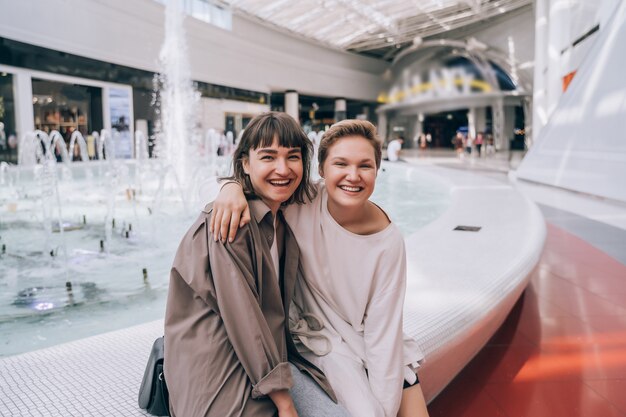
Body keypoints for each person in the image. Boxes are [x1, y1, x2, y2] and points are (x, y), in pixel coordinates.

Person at [212, 120, 429, 417]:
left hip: (368, 342)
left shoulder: (388, 243)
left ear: (377, 171)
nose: (353, 176)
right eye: (341, 164)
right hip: (322, 344)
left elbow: (383, 334)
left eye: (365, 166)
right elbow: (223, 189)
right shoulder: (303, 201)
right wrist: (229, 186)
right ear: (322, 169)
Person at [164, 112, 348, 417]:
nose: (283, 168)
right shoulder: (234, 222)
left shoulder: (281, 218)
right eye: (268, 157)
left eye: (293, 156)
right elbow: (244, 318)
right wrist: (284, 401)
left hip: (264, 355)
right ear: (246, 164)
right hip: (218, 360)